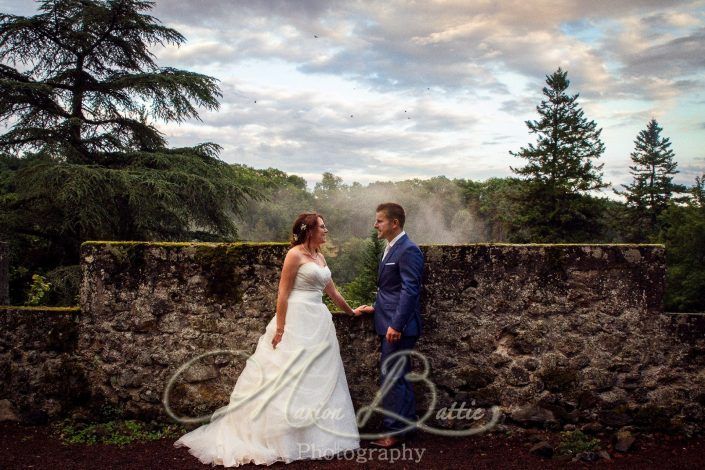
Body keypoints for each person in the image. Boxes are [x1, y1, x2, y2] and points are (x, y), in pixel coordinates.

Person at [174, 212, 361, 466]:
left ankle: (314, 437)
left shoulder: (320, 256)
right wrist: (281, 329)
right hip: (296, 319)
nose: (326, 231)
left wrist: (351, 311)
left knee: (316, 374)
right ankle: (278, 437)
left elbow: (331, 290)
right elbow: (282, 295)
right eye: (322, 227)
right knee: (284, 374)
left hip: (318, 321)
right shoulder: (294, 255)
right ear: (309, 231)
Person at [355, 202, 424, 448]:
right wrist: (377, 308)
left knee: (391, 377)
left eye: (380, 221)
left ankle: (394, 432)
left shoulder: (408, 250)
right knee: (399, 376)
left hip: (398, 327)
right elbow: (390, 289)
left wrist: (396, 324)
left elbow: (410, 290)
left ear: (395, 223)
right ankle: (407, 427)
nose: (375, 225)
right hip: (388, 319)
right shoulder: (390, 247)